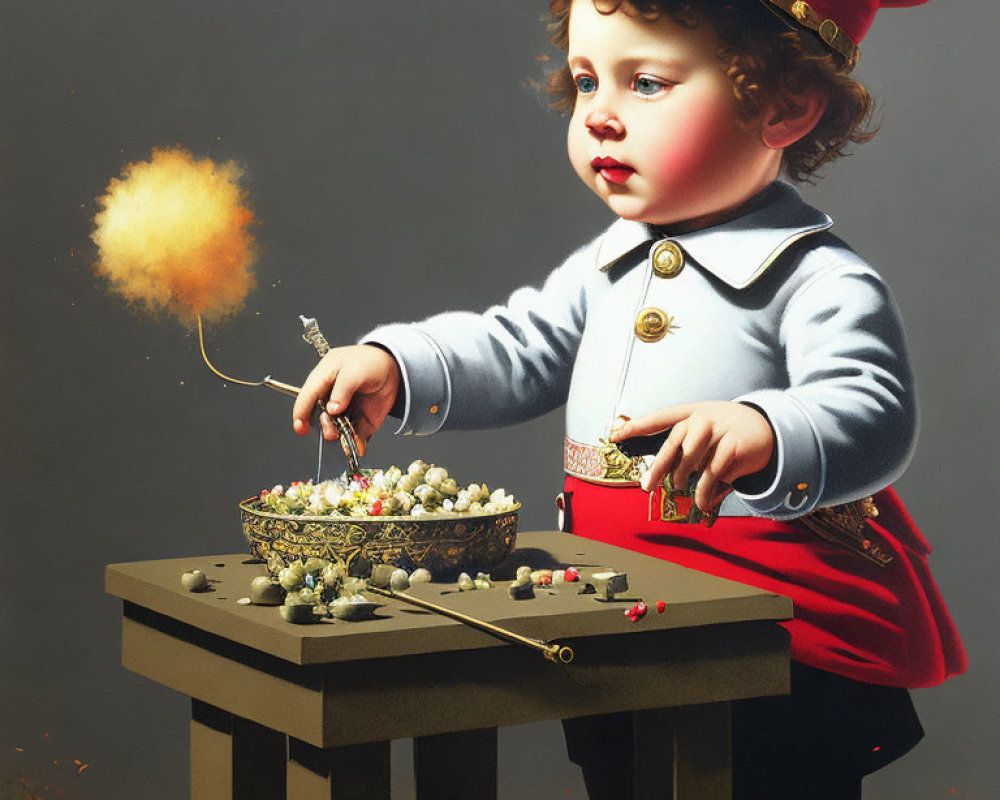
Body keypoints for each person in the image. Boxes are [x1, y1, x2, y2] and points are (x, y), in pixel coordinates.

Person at [292, 1, 967, 797]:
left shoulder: (817, 277)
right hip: (618, 611)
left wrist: (766, 427)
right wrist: (401, 367)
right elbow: (520, 345)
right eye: (585, 82)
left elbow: (874, 409)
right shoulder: (607, 264)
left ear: (784, 105)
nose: (600, 117)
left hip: (770, 632)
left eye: (646, 82)